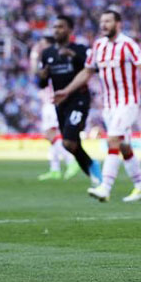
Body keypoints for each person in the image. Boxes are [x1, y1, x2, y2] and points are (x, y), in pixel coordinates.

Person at [55, 10, 141, 203]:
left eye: (108, 21)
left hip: (128, 102)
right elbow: (87, 72)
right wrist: (66, 90)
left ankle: (105, 188)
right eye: (101, 22)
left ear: (118, 24)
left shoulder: (128, 44)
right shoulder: (99, 46)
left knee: (113, 139)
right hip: (109, 105)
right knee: (124, 146)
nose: (103, 25)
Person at [37, 16, 103, 185]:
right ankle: (91, 165)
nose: (56, 30)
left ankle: (93, 171)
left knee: (68, 140)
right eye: (55, 27)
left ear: (70, 30)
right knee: (69, 145)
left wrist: (73, 55)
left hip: (78, 99)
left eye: (60, 27)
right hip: (60, 103)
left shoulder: (80, 49)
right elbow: (43, 83)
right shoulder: (47, 53)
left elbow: (92, 69)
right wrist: (42, 77)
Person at [30, 36, 80, 181]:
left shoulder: (52, 60)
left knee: (50, 134)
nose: (40, 46)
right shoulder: (52, 60)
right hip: (49, 101)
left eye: (43, 44)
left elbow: (36, 74)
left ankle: (71, 161)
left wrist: (34, 57)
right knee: (51, 136)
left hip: (53, 101)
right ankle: (55, 169)